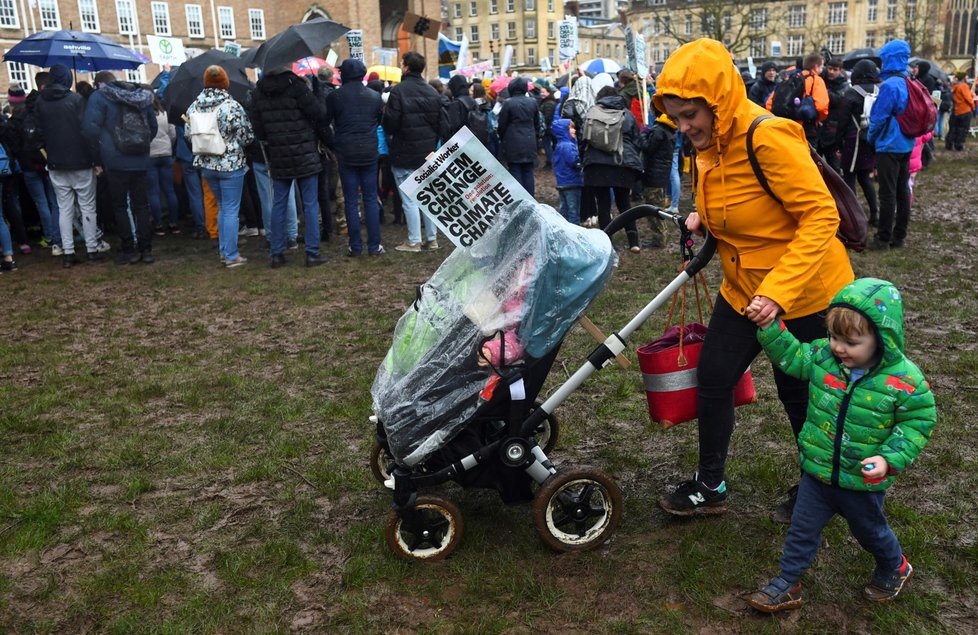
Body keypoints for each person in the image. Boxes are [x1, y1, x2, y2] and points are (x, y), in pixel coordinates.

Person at [652, 38, 854, 519]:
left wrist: (779, 293)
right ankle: (711, 484)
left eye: (689, 116)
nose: (683, 128)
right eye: (676, 117)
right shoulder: (710, 142)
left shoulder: (767, 136)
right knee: (715, 376)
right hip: (742, 288)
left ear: (716, 102)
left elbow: (820, 217)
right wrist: (704, 217)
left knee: (799, 392)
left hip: (804, 291)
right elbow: (732, 194)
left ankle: (817, 489)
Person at [744, 278, 936, 613]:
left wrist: (889, 459)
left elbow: (918, 422)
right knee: (801, 531)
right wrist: (770, 326)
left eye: (851, 341)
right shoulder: (822, 357)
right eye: (834, 337)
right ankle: (788, 583)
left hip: (861, 482)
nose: (838, 347)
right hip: (816, 473)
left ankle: (895, 566)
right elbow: (791, 356)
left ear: (882, 339)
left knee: (870, 532)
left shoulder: (903, 380)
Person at [251, 65, 330, 268]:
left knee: (279, 203)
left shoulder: (259, 91)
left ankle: (277, 253)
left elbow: (258, 129)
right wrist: (318, 90)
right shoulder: (296, 86)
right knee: (310, 204)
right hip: (304, 153)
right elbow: (319, 113)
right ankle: (312, 253)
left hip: (278, 155)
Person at [82, 70, 158, 264]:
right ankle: (146, 249)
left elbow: (90, 129)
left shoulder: (99, 97)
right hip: (140, 157)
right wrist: (141, 143)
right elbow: (153, 126)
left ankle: (128, 250)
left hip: (115, 159)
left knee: (120, 206)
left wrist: (102, 149)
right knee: (141, 205)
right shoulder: (142, 96)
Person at [36, 64, 104, 268]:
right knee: (87, 207)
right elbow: (88, 132)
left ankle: (68, 252)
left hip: (56, 162)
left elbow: (39, 134)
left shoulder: (40, 102)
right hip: (81, 161)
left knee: (64, 209)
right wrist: (96, 160)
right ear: (67, 79)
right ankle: (92, 249)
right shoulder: (76, 100)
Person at [186, 65, 255, 268]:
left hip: (206, 163)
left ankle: (225, 252)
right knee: (231, 209)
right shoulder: (231, 106)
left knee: (223, 207)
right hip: (230, 163)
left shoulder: (193, 107)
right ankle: (231, 254)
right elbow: (247, 136)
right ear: (225, 82)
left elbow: (187, 136)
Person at [383, 52, 444, 253]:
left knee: (410, 198)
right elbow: (442, 124)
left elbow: (390, 124)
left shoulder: (398, 92)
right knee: (428, 196)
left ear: (407, 67)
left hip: (404, 152)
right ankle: (432, 239)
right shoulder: (433, 92)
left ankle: (414, 240)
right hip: (427, 152)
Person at [325, 58, 385, 257]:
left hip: (346, 152)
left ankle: (356, 246)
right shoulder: (375, 96)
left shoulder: (335, 97)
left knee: (351, 200)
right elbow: (379, 120)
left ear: (345, 75)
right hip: (368, 151)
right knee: (370, 198)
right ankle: (374, 246)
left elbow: (325, 122)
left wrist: (334, 144)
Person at [580, 85, 643, 253]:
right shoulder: (627, 114)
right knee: (624, 203)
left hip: (596, 166)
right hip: (623, 163)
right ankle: (633, 241)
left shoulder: (591, 113)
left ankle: (608, 242)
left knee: (603, 204)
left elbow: (583, 139)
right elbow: (637, 140)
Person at [867, 40, 915, 251]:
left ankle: (882, 239)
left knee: (887, 193)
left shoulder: (890, 85)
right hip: (906, 143)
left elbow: (878, 118)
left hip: (888, 145)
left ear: (888, 59)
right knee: (902, 191)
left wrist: (870, 137)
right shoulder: (910, 81)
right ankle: (900, 236)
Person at [838, 59, 881, 226]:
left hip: (853, 141)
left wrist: (837, 144)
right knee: (865, 178)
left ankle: (854, 218)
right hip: (871, 139)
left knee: (849, 178)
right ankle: (875, 214)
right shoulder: (879, 90)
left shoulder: (852, 93)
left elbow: (842, 121)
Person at [767, 53, 829, 146]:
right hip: (805, 128)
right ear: (816, 67)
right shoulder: (816, 80)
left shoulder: (790, 78)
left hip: (785, 126)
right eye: (822, 66)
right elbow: (821, 107)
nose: (823, 68)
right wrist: (817, 119)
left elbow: (769, 103)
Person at [498, 77, 541, 197]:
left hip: (513, 141)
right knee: (528, 170)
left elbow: (502, 124)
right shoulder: (532, 102)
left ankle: (519, 198)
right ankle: (530, 198)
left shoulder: (508, 103)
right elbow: (537, 123)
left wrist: (503, 139)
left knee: (515, 170)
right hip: (529, 139)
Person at [147, 95, 180, 234]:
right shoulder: (165, 114)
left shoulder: (145, 116)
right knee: (169, 190)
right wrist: (169, 146)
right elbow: (172, 133)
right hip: (166, 153)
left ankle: (158, 224)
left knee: (153, 192)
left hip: (150, 154)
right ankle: (173, 222)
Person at [818, 59, 850, 173]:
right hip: (821, 127)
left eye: (835, 70)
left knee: (834, 166)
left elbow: (838, 100)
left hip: (833, 129)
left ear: (840, 71)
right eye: (830, 69)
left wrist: (823, 90)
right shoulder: (822, 80)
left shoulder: (844, 85)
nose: (831, 72)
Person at [551, 118, 582, 225]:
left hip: (563, 182)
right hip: (572, 182)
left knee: (564, 209)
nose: (574, 130)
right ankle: (576, 232)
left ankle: (562, 229)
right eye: (571, 128)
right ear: (564, 130)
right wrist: (581, 162)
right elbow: (573, 161)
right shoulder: (568, 146)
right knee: (574, 211)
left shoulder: (559, 145)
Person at [946, 71, 975, 151]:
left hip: (956, 110)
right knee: (963, 129)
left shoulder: (954, 86)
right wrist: (972, 106)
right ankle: (959, 144)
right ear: (963, 77)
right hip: (965, 110)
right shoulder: (963, 86)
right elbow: (968, 98)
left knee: (954, 128)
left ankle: (949, 143)